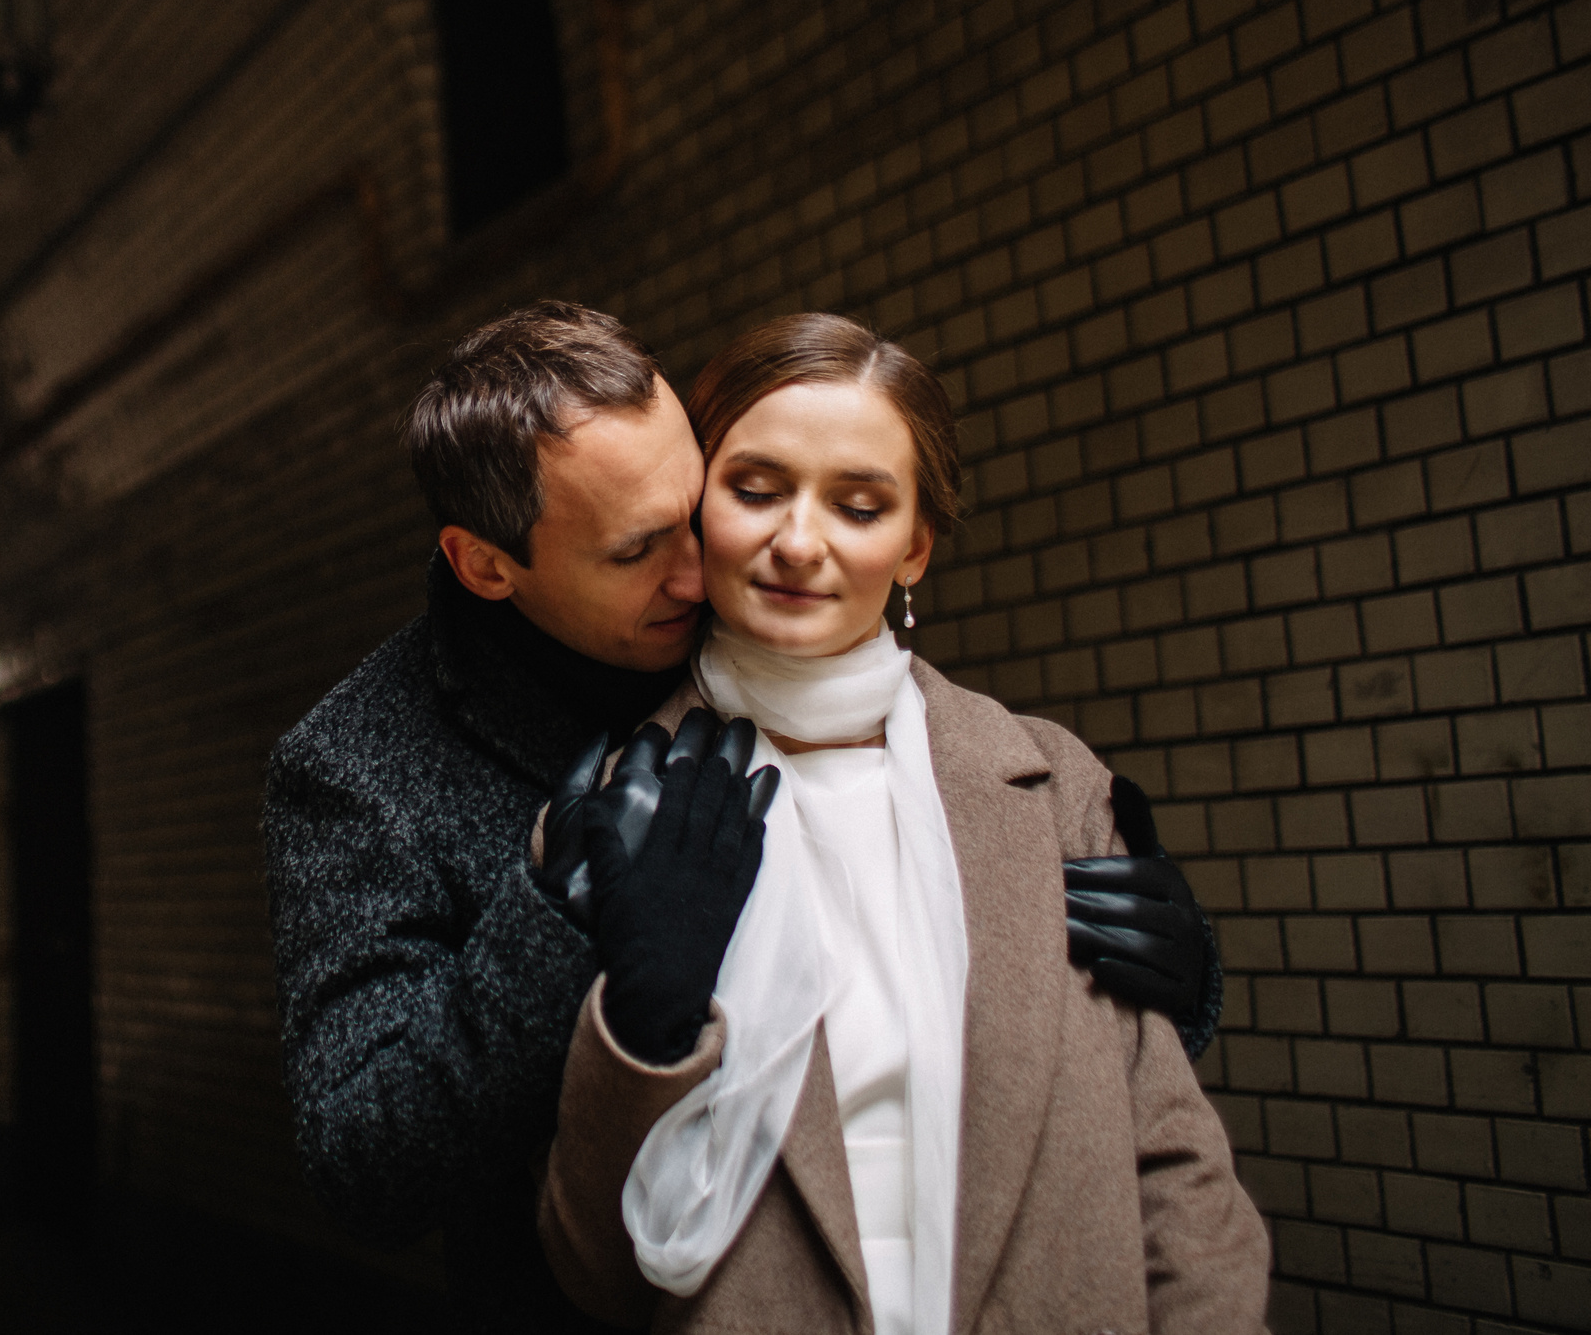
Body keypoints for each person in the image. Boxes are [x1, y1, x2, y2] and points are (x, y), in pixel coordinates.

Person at [262, 302, 1220, 1330]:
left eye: (696, 508)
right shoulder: (361, 769)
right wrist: (558, 929)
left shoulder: (780, 631)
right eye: (636, 552)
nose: (701, 569)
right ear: (488, 564)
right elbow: (367, 1167)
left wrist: (1162, 981)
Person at [537, 314, 1268, 1333]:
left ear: (914, 546)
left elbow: (1175, 1164)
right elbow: (589, 1268)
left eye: (860, 504)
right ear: (695, 509)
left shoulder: (1052, 785)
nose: (800, 541)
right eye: (754, 490)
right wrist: (645, 1028)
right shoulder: (618, 812)